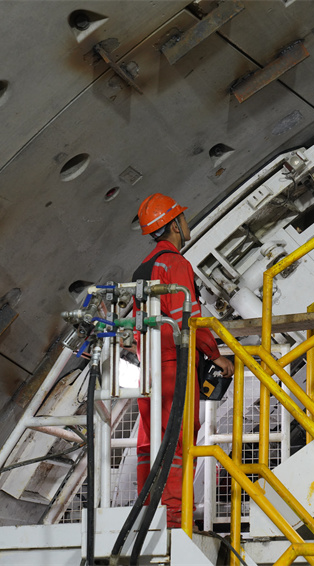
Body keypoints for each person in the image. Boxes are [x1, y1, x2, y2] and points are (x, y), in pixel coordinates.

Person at [134, 193, 233, 528]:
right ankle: (175, 518)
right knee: (177, 440)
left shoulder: (144, 267)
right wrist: (215, 355)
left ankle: (149, 512)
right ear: (174, 224)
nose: (185, 223)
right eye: (182, 218)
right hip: (173, 366)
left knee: (150, 443)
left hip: (147, 368)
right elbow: (187, 316)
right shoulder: (176, 264)